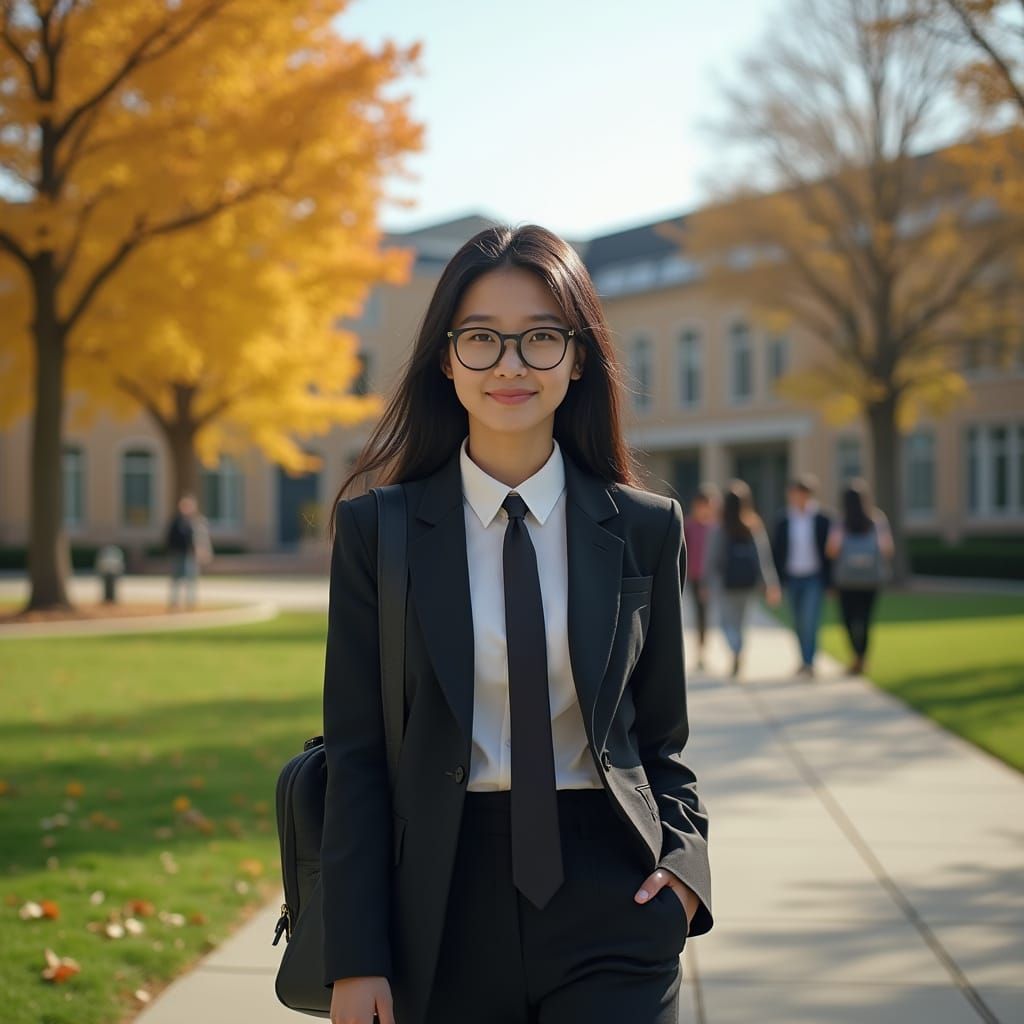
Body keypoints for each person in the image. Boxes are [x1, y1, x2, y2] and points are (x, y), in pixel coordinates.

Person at [320, 225, 713, 1024]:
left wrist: (684, 869)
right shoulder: (378, 531)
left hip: (614, 899)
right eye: (481, 339)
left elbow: (662, 741)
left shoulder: (645, 527)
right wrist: (355, 956)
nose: (509, 364)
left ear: (577, 357)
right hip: (435, 905)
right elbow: (357, 758)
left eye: (539, 338)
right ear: (446, 359)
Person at [703, 480, 781, 678]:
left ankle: (735, 649)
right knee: (741, 622)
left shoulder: (720, 528)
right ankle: (739, 649)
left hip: (725, 584)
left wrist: (706, 583)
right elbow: (763, 558)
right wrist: (770, 584)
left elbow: (712, 559)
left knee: (726, 623)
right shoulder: (753, 526)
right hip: (747, 584)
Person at [825, 478, 894, 676]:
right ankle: (863, 657)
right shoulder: (876, 520)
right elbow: (887, 549)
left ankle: (856, 656)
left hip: (846, 581)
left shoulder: (841, 523)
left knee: (848, 620)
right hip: (871, 580)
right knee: (865, 620)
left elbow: (831, 550)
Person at [772, 474, 832, 678]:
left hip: (814, 578)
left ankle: (810, 662)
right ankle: (803, 660)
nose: (795, 498)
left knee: (810, 621)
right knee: (797, 622)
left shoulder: (823, 519)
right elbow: (776, 552)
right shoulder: (784, 520)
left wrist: (830, 582)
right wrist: (776, 582)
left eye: (799, 494)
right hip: (792, 578)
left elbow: (829, 553)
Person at [683, 483, 719, 670]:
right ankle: (700, 652)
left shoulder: (716, 528)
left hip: (711, 579)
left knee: (706, 617)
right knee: (698, 616)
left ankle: (703, 652)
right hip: (693, 578)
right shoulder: (688, 526)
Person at [165, 494, 199, 609]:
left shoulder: (193, 522)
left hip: (189, 555)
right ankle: (174, 602)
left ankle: (190, 602)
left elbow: (196, 540)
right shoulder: (176, 522)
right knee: (176, 579)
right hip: (177, 554)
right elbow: (169, 538)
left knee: (191, 579)